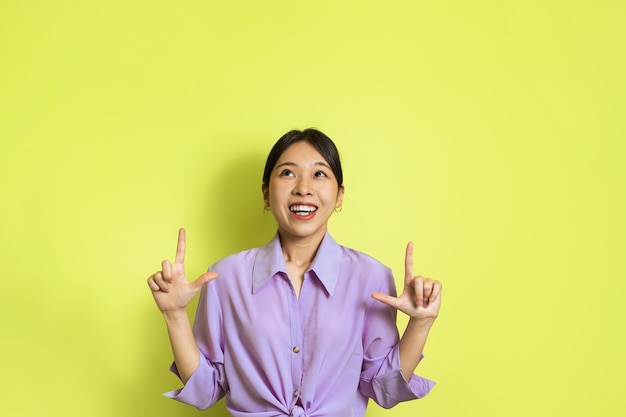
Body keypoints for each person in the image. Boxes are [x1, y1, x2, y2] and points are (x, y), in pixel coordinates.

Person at [147, 128, 442, 417]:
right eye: (288, 173)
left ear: (339, 195)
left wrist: (420, 324)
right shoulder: (225, 277)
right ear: (265, 193)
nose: (303, 187)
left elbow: (383, 388)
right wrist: (174, 315)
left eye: (319, 174)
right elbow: (205, 391)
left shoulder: (370, 277)